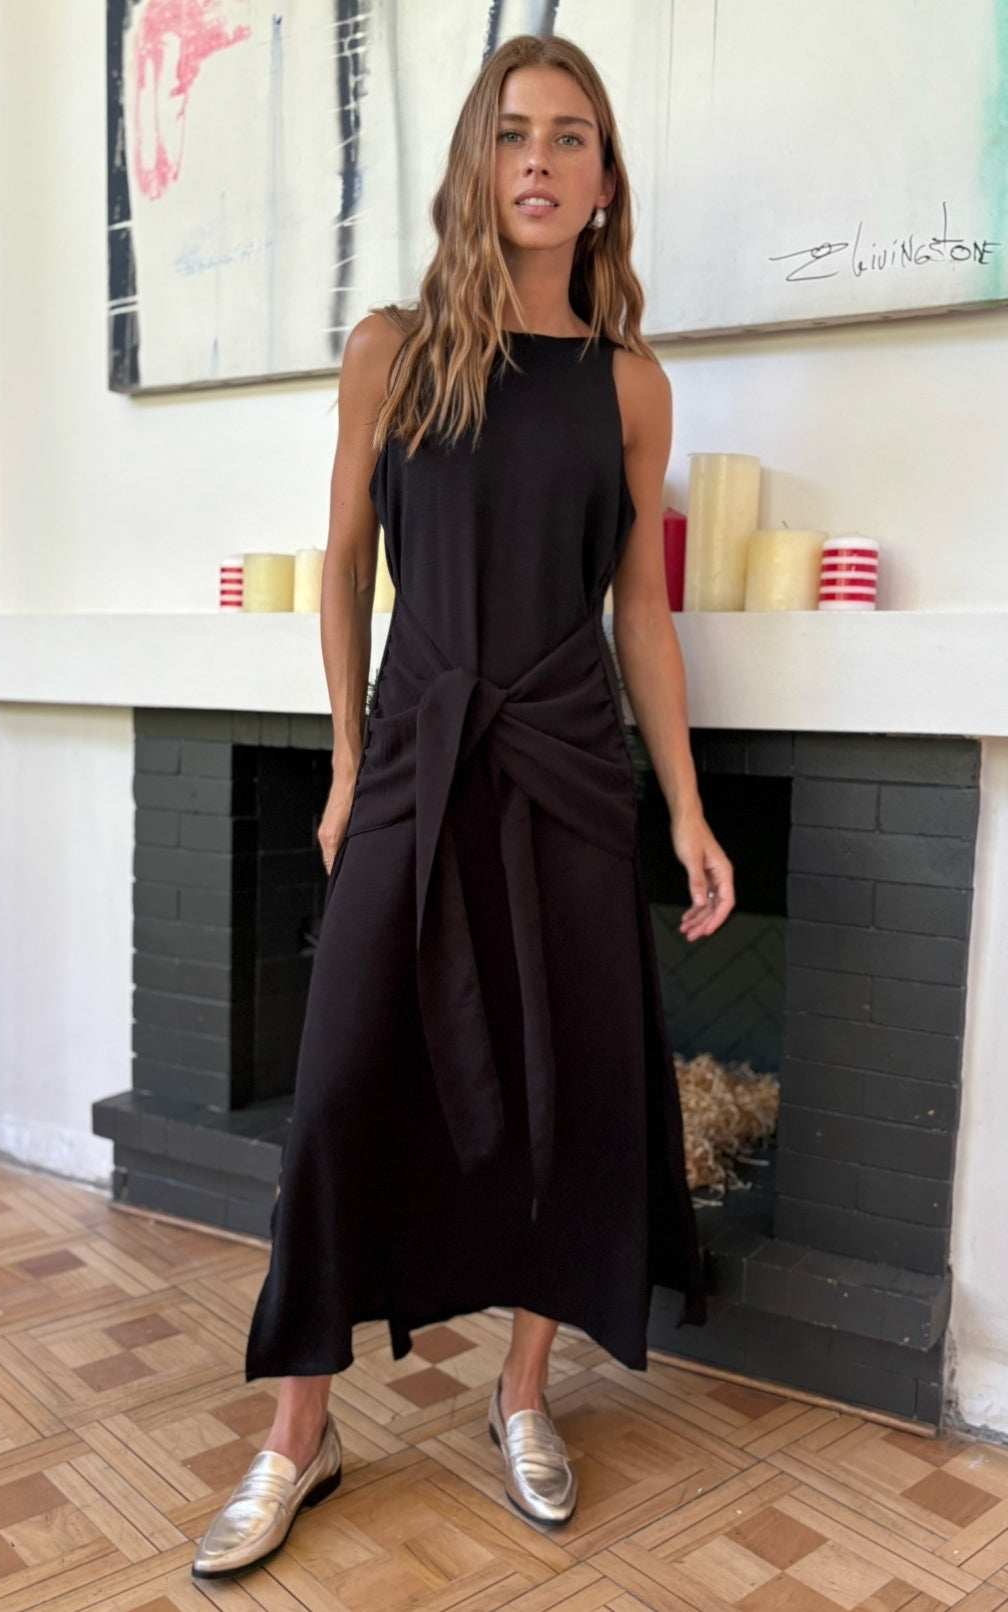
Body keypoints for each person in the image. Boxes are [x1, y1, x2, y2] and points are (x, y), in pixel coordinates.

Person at [192, 31, 734, 1581]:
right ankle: (301, 1429)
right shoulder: (394, 349)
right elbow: (345, 565)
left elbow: (642, 617)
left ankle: (522, 1392)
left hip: (568, 759)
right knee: (342, 1080)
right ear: (475, 165)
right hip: (420, 751)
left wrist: (687, 810)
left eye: (570, 136)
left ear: (605, 180)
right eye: (512, 133)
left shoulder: (631, 385)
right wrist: (349, 759)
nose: (539, 160)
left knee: (575, 1082)